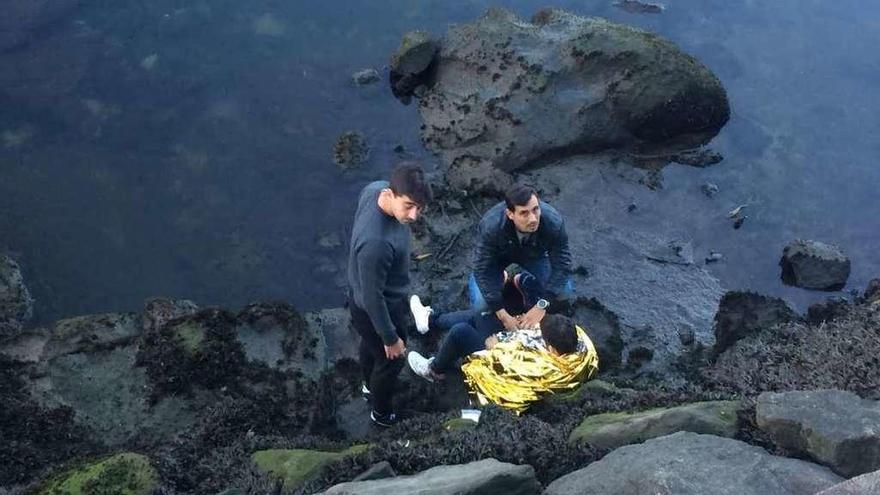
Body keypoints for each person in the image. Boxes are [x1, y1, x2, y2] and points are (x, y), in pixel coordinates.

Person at [347, 161, 432, 427]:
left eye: (419, 207)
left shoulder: (374, 189)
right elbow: (374, 298)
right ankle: (381, 414)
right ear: (391, 195)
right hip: (378, 306)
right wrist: (391, 337)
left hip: (360, 296)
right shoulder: (377, 245)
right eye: (409, 206)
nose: (415, 216)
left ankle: (367, 387)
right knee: (391, 361)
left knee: (370, 347)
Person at [406, 265, 554, 381]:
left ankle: (433, 370)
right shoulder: (561, 336)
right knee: (481, 315)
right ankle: (431, 320)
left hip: (500, 360)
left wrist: (501, 342)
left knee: (461, 331)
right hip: (512, 340)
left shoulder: (548, 359)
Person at [471, 184, 573, 333]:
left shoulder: (553, 222)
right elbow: (481, 269)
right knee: (481, 304)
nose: (533, 219)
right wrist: (502, 314)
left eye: (535, 210)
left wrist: (542, 305)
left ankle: (522, 280)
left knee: (565, 291)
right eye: (524, 213)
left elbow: (563, 266)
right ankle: (502, 278)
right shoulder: (491, 226)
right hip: (497, 259)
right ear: (510, 214)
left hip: (533, 255)